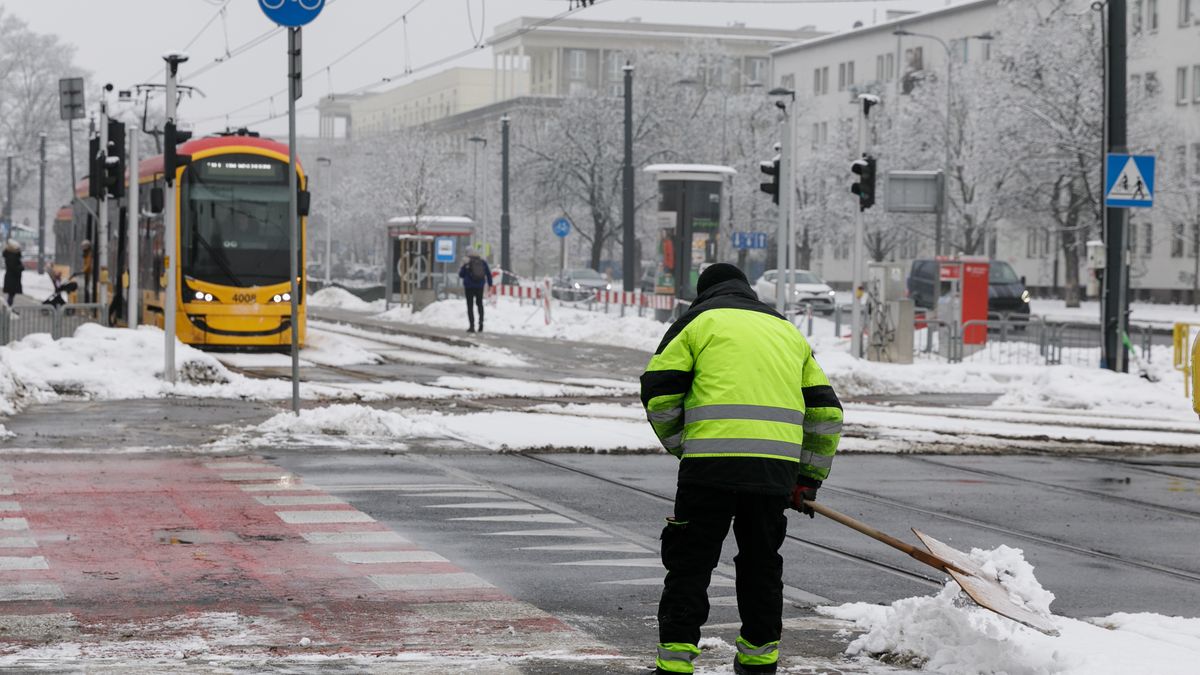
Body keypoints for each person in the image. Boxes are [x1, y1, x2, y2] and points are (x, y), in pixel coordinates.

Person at [640, 263, 843, 675]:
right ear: (747, 290)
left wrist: (684, 446)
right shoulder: (787, 331)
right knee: (761, 564)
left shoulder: (697, 322)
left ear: (704, 293)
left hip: (708, 470)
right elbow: (826, 413)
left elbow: (659, 395)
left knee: (691, 564)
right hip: (774, 473)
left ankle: (676, 663)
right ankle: (758, 660)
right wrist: (807, 479)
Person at [457, 251, 492, 333]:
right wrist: (490, 284)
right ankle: (481, 323)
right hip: (480, 286)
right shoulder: (483, 262)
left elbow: (461, 275)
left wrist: (464, 267)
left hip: (469, 287)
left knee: (470, 306)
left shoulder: (467, 263)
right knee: (480, 304)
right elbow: (488, 274)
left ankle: (472, 326)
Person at [2, 240, 22, 307]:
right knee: (11, 296)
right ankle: (8, 310)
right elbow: (14, 267)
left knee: (11, 296)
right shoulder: (12, 256)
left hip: (11, 278)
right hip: (12, 279)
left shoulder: (10, 255)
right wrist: (21, 267)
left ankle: (8, 310)